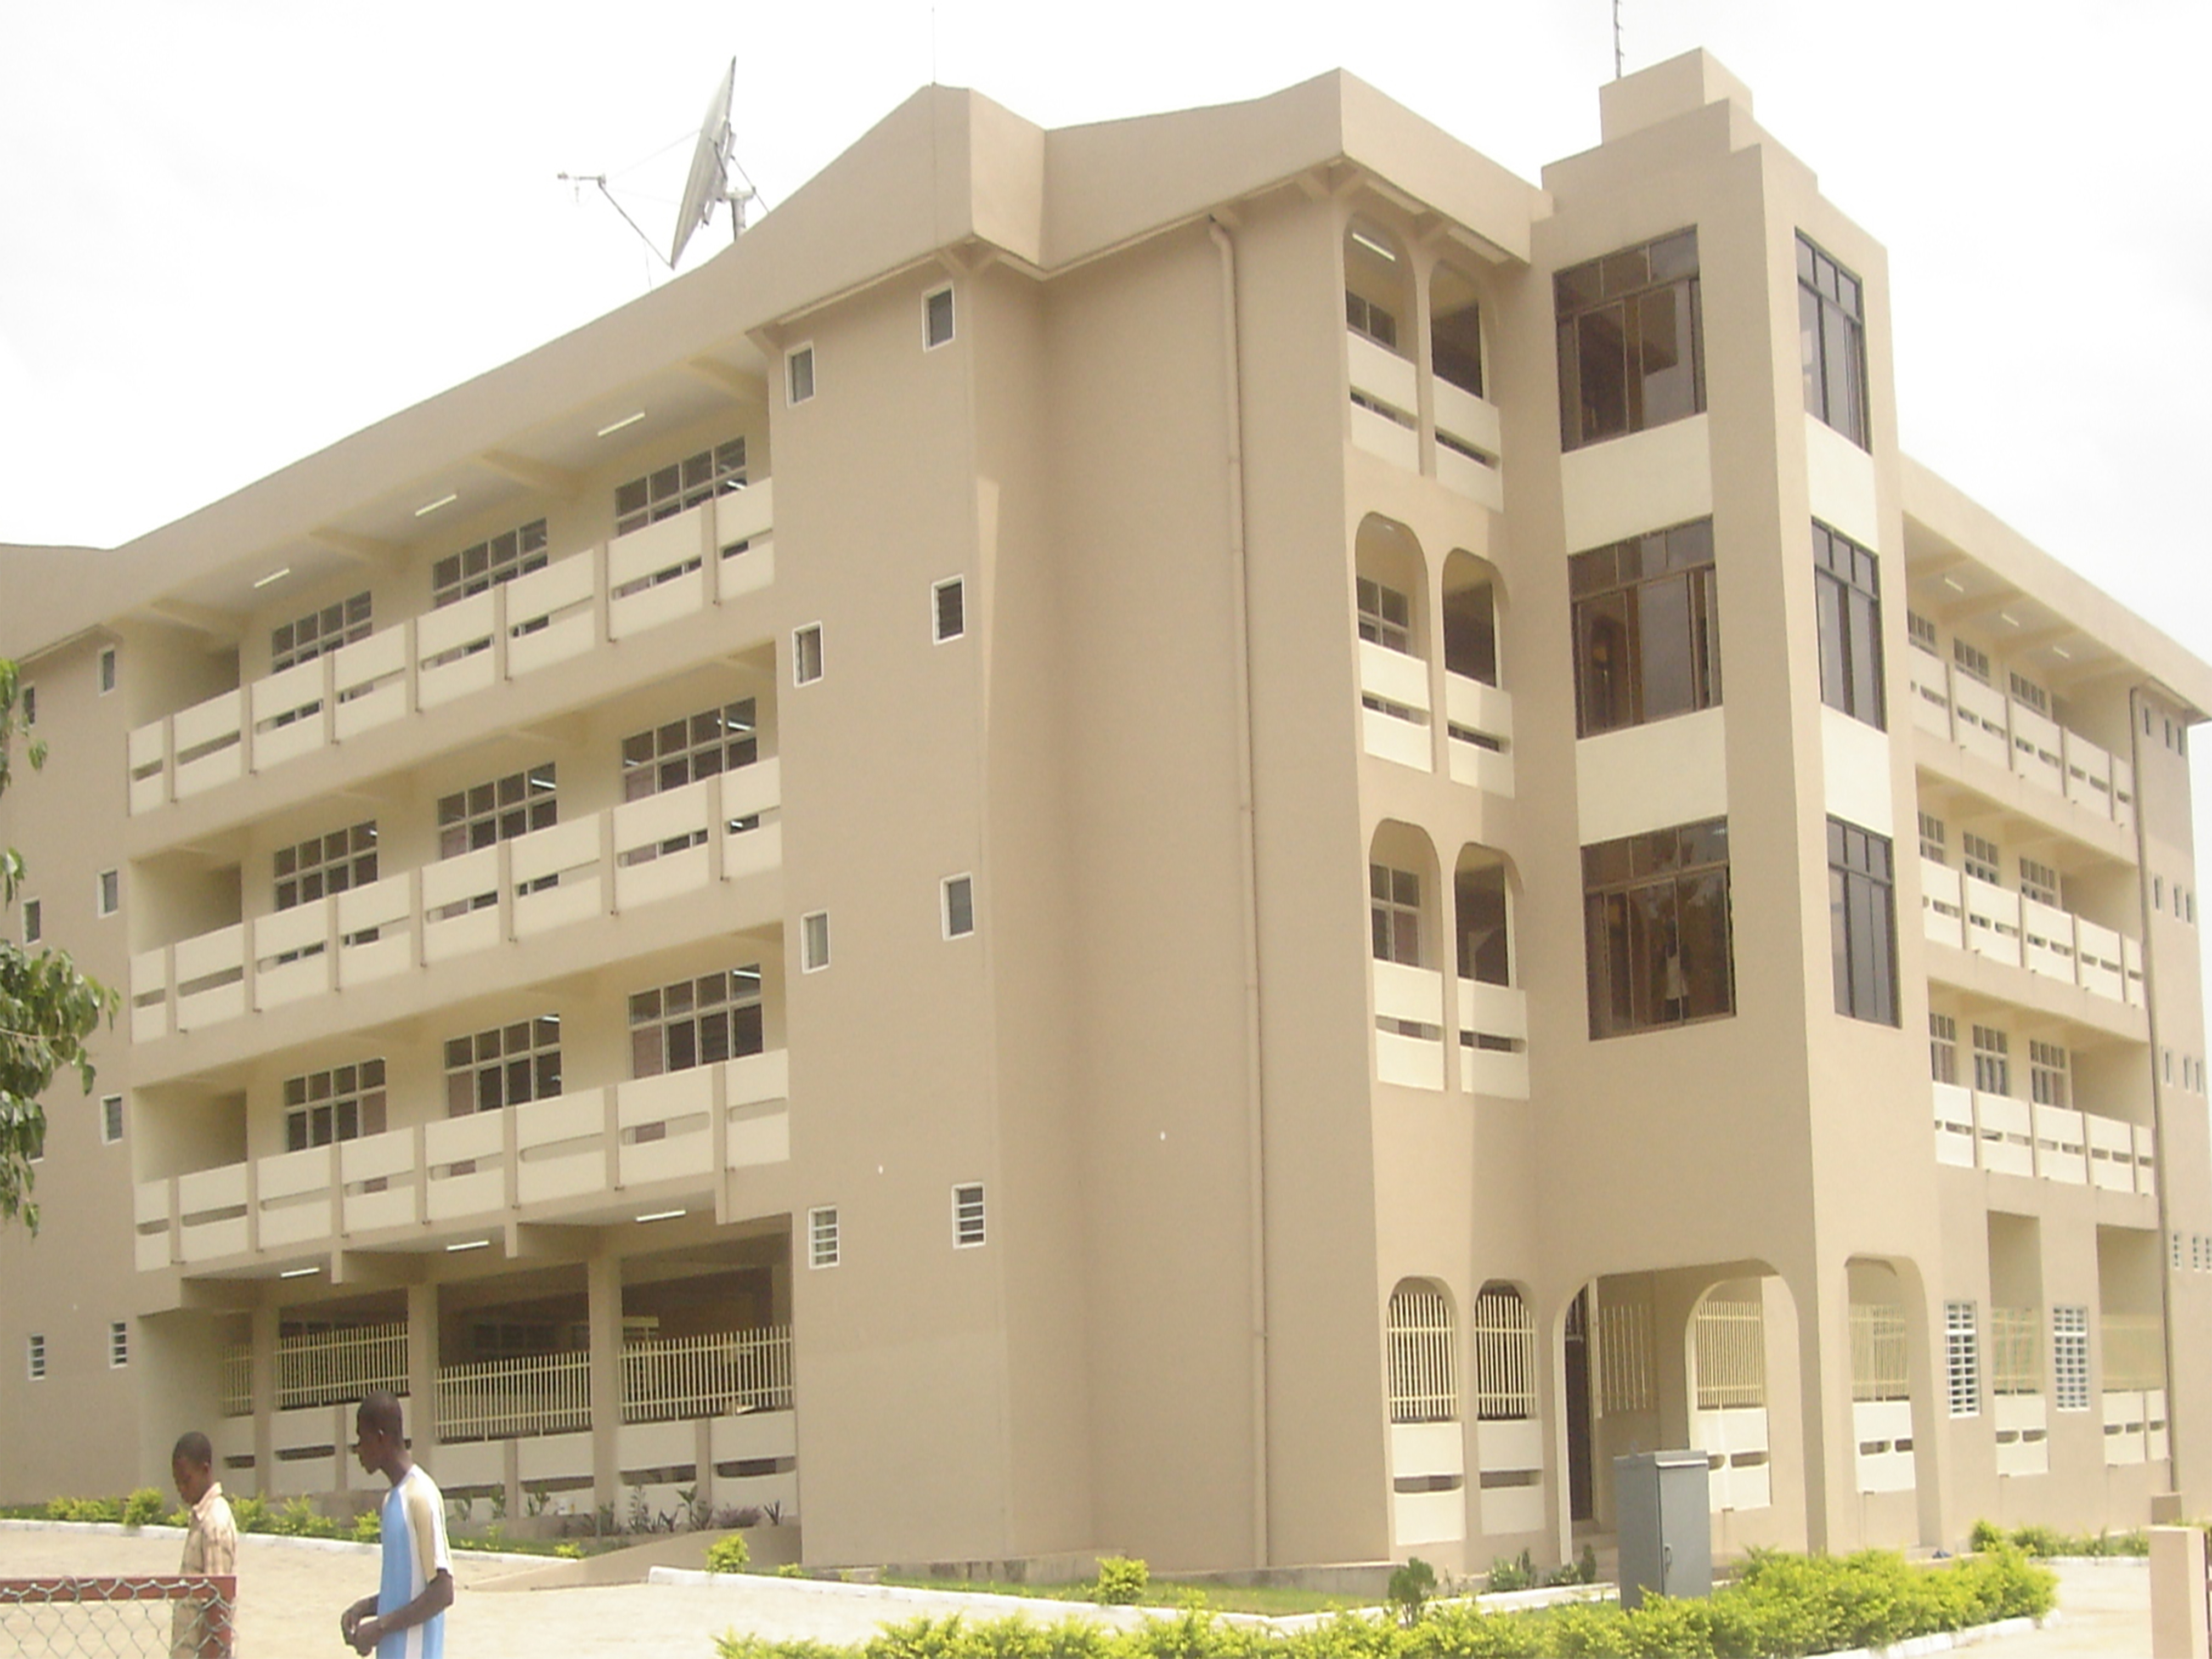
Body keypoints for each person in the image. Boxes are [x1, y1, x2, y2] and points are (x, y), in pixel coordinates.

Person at [338, 1391, 453, 1658]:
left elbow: (443, 1591)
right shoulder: (392, 1501)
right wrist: (364, 1608)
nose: (358, 1450)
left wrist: (379, 1628)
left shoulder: (421, 1496)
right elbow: (408, 1592)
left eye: (361, 1439)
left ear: (381, 1438)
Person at [169, 1430, 237, 1659]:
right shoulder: (201, 1518)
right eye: (177, 1483)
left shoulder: (215, 1523)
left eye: (186, 1481)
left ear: (205, 1470)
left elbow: (216, 1606)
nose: (182, 1490)